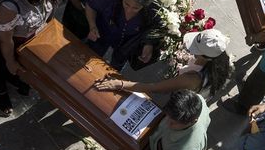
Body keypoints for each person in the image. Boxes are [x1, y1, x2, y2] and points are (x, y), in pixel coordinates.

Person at [0, 0, 63, 115]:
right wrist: (10, 61)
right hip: (6, 46)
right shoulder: (9, 7)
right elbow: (5, 41)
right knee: (0, 68)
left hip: (26, 41)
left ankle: (15, 78)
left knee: (16, 69)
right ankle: (1, 94)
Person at [93, 28, 232, 101]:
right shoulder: (218, 57)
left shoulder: (191, 79)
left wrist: (119, 84)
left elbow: (155, 88)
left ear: (205, 57)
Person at [86, 0, 162, 72]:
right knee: (87, 57)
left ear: (144, 6)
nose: (129, 10)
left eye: (135, 8)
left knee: (114, 70)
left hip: (127, 44)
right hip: (101, 33)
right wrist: (92, 26)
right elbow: (90, 7)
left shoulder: (152, 11)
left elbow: (156, 27)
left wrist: (148, 44)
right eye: (126, 4)